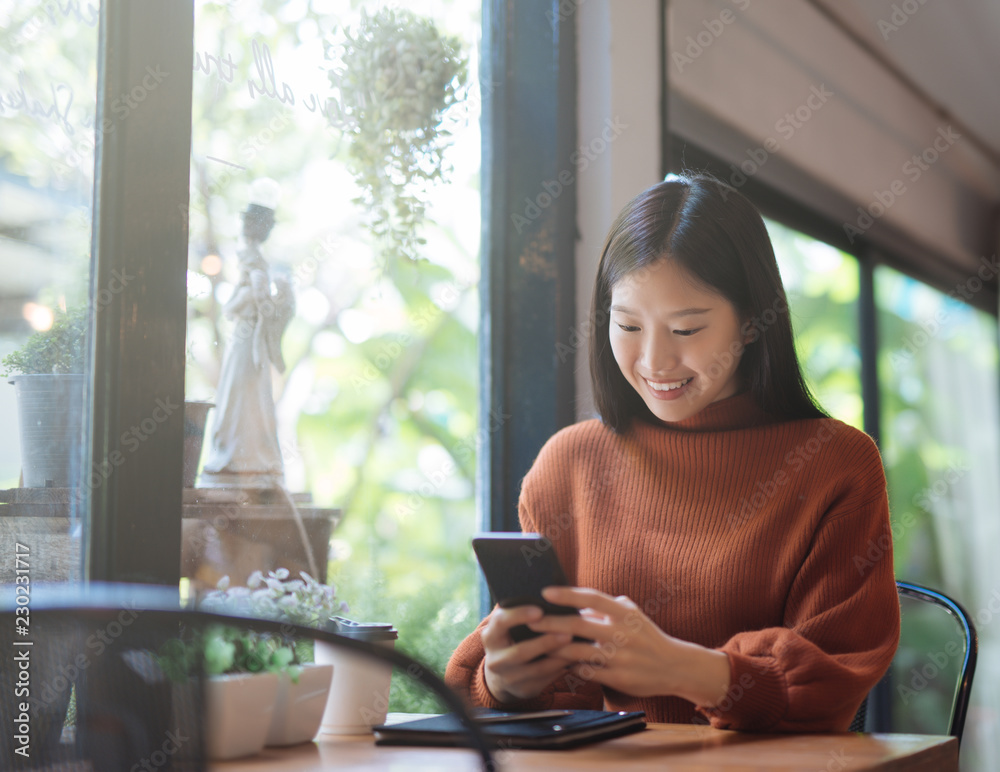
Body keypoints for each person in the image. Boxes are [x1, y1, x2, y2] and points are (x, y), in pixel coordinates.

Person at [445, 173, 900, 732]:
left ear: (755, 323)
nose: (654, 361)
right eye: (628, 325)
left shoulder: (836, 464)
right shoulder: (569, 464)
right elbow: (483, 689)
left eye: (687, 329)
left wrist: (687, 671)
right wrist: (505, 683)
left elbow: (832, 685)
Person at [202, 178, 295, 488]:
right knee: (242, 391)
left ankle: (246, 456)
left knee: (246, 392)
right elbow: (255, 293)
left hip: (247, 337)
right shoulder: (251, 256)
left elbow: (254, 292)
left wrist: (242, 304)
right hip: (246, 336)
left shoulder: (252, 256)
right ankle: (241, 456)